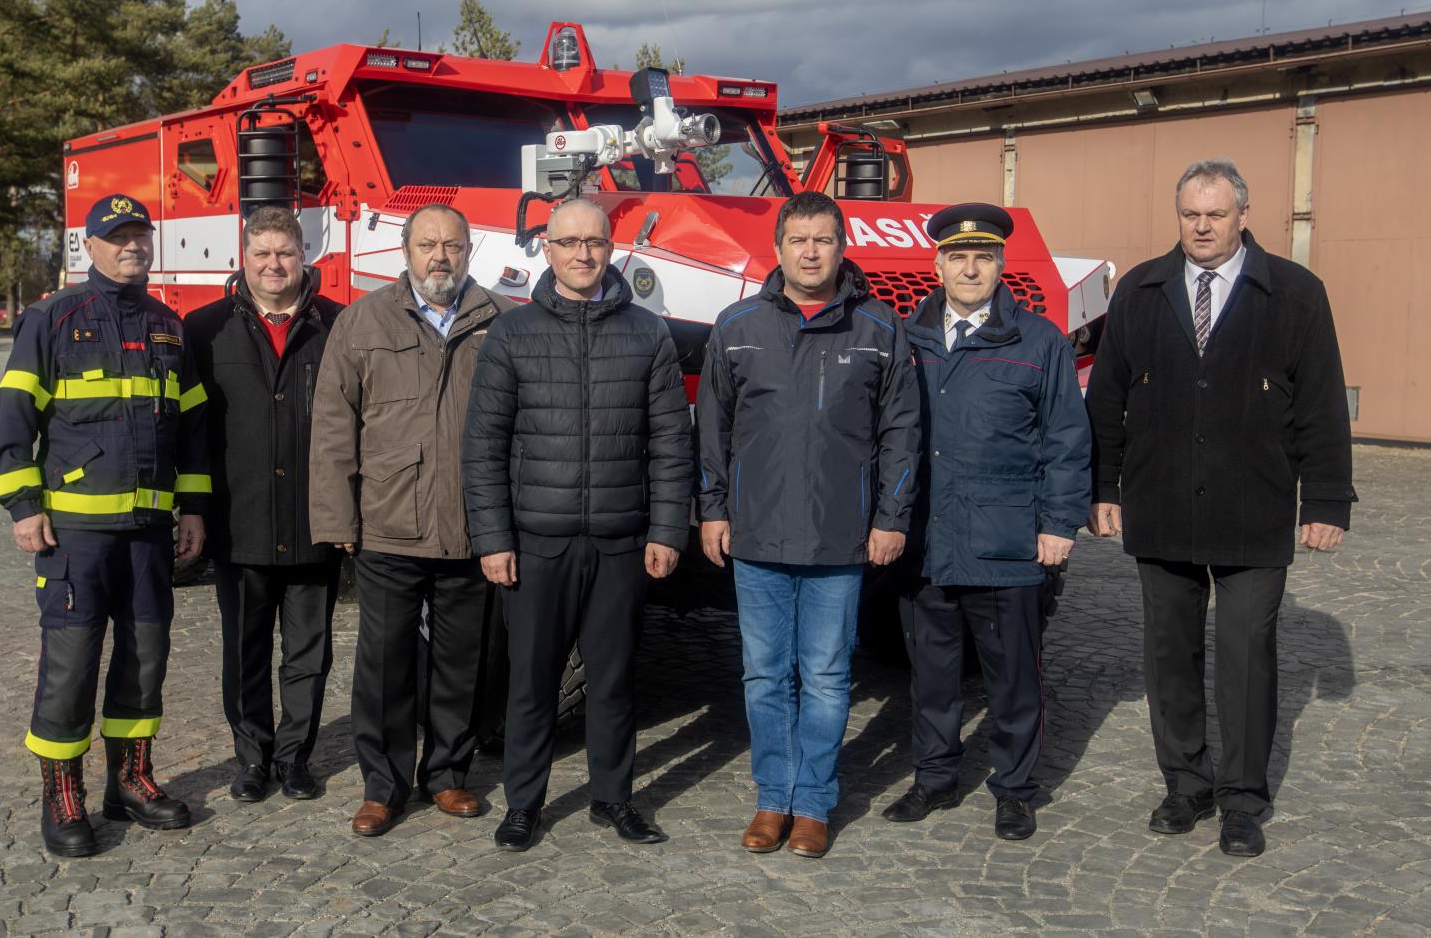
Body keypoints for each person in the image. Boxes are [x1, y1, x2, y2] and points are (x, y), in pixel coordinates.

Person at [1085, 158, 1357, 858]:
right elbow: (1107, 398)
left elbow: (1323, 403)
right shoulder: (1143, 290)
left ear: (1243, 214)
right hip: (1162, 500)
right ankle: (1185, 784)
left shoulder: (1295, 293)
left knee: (1246, 656)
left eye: (1214, 214)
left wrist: (1325, 498)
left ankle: (1241, 797)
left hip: (1254, 504)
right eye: (1189, 214)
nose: (1201, 226)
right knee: (1169, 652)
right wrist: (1102, 486)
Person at [695, 191, 921, 858]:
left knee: (825, 673)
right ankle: (773, 797)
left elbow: (902, 432)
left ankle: (815, 801)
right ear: (779, 248)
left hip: (840, 534)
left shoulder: (879, 329)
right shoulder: (736, 325)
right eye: (799, 240)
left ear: (842, 246)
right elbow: (712, 429)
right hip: (758, 533)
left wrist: (890, 516)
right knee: (764, 672)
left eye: (824, 240)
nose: (811, 252)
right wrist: (711, 507)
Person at [462, 197, 692, 852]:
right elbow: (483, 444)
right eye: (568, 242)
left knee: (614, 681)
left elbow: (671, 442)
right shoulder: (513, 332)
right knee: (531, 682)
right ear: (547, 248)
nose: (582, 254)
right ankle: (524, 803)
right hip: (537, 542)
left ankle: (613, 798)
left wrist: (668, 530)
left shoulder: (648, 333)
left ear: (611, 247)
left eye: (593, 241)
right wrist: (494, 537)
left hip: (622, 541)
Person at [0, 193, 210, 857]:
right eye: (119, 236)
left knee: (145, 660)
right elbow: (11, 420)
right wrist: (23, 505)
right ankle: (62, 795)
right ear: (92, 246)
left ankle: (130, 781)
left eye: (141, 234)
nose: (133, 245)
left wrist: (193, 506)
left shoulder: (170, 327)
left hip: (147, 531)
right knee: (71, 665)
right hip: (74, 537)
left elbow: (194, 428)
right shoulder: (52, 318)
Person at [880, 202, 1091, 841]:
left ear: (1001, 265)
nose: (970, 269)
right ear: (937, 264)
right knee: (934, 676)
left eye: (984, 257)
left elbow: (1066, 440)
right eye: (958, 257)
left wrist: (1059, 524)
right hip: (926, 538)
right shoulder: (904, 337)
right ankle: (935, 777)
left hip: (1006, 542)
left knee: (1013, 679)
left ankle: (1015, 789)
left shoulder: (1040, 342)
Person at [309, 203, 513, 837]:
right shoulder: (363, 321)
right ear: (405, 251)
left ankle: (447, 775)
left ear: (470, 251)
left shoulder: (500, 322)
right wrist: (336, 513)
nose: (439, 257)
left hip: (469, 525)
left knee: (461, 662)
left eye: (452, 245)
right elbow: (334, 425)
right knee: (385, 662)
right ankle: (384, 785)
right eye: (428, 244)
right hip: (387, 522)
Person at [184, 206, 343, 804]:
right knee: (245, 650)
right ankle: (252, 758)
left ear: (305, 256)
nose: (274, 264)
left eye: (286, 252)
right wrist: (193, 507)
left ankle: (295, 758)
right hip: (239, 517)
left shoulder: (337, 325)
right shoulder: (203, 330)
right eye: (262, 254)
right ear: (242, 259)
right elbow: (191, 428)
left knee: (309, 653)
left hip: (313, 519)